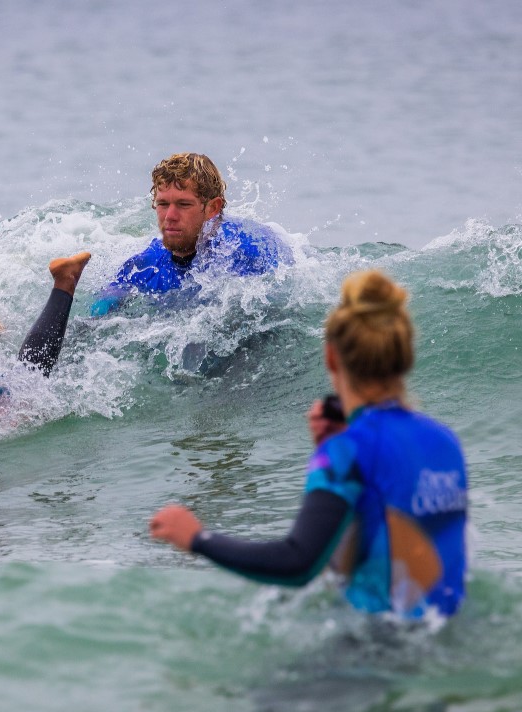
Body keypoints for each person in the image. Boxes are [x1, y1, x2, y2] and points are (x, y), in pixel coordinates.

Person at [149, 270, 470, 619]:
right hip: (444, 638)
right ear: (404, 357)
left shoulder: (346, 454)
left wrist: (197, 539)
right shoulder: (443, 440)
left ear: (331, 357)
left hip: (373, 652)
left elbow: (299, 562)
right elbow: (398, 550)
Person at [90, 152, 294, 315]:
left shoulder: (247, 252)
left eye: (183, 204)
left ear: (213, 208)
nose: (169, 216)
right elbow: (97, 317)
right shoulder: (143, 266)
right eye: (162, 204)